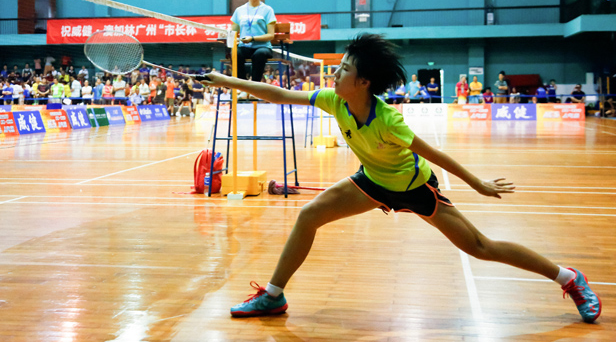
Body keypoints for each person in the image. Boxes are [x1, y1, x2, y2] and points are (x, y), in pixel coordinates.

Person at [202, 33, 601, 323]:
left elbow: (434, 155)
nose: (336, 73)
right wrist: (225, 82)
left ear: (364, 82)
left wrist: (477, 183)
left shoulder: (389, 121)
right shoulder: (334, 100)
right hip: (372, 183)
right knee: (309, 215)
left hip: (416, 190)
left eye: (344, 69)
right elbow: (277, 94)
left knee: (480, 246)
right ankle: (273, 296)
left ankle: (569, 278)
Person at [231, 0, 276, 83]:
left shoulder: (268, 10)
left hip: (263, 47)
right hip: (244, 47)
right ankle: (242, 84)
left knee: (259, 54)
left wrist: (252, 38)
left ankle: (255, 84)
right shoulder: (239, 10)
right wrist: (227, 36)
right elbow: (233, 32)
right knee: (235, 53)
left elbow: (270, 35)